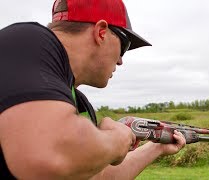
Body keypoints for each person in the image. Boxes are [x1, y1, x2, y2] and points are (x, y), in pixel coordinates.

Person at [0, 0, 186, 179]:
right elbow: (51, 156)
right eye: (124, 46)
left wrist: (157, 147)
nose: (121, 61)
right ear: (101, 32)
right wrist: (116, 139)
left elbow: (96, 177)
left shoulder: (78, 102)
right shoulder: (28, 40)